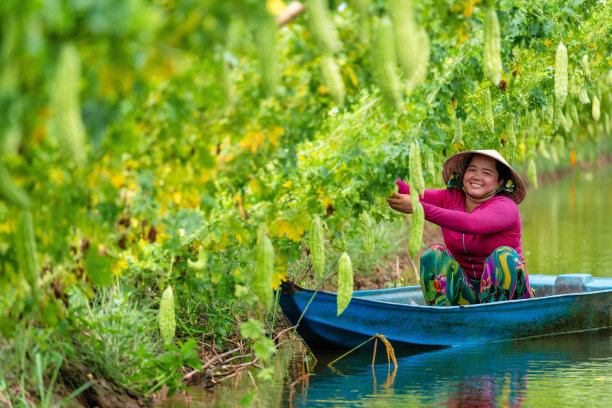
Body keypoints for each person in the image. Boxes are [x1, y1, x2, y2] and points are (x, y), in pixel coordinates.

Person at [387, 149, 534, 306]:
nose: (477, 176)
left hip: (510, 296)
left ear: (500, 182)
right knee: (434, 254)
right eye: (472, 170)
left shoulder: (506, 207)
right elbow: (408, 191)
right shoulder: (451, 199)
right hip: (467, 293)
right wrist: (383, 173)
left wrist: (419, 208)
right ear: (463, 174)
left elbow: (472, 223)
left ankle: (496, 318)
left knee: (503, 256)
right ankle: (443, 318)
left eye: (486, 173)